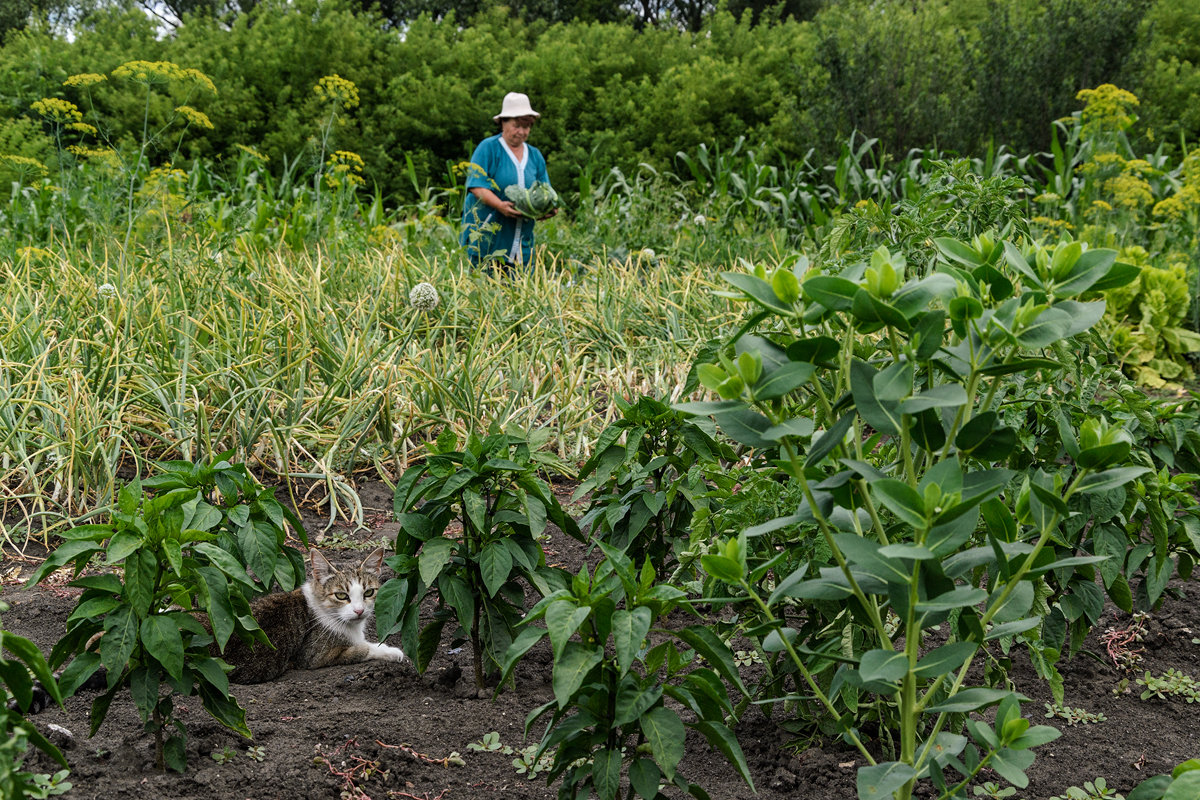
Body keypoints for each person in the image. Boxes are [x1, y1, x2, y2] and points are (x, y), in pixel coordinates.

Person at [459, 92, 553, 268]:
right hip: (487, 240)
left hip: (521, 244)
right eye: (516, 126)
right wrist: (499, 205)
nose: (521, 132)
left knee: (518, 291)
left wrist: (547, 208)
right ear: (503, 123)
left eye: (526, 127)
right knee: (483, 288)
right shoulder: (488, 148)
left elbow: (545, 189)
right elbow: (476, 185)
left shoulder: (534, 156)